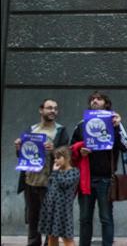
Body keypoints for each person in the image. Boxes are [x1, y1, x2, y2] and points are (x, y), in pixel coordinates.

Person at [70, 91, 127, 246]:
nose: (95, 101)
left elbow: (125, 147)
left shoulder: (115, 122)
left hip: (105, 178)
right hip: (86, 178)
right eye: (92, 99)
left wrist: (116, 128)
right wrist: (79, 150)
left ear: (106, 103)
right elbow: (70, 149)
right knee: (84, 218)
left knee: (106, 217)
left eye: (99, 99)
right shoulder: (82, 124)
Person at [14, 99, 70, 246]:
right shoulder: (31, 130)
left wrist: (54, 150)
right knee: (33, 218)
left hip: (50, 182)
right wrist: (19, 148)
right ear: (41, 110)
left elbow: (65, 158)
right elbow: (22, 157)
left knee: (50, 218)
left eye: (55, 109)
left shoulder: (60, 131)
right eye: (49, 108)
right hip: (31, 181)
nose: (53, 111)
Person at [38, 146, 80, 246]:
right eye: (55, 158)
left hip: (63, 210)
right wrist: (54, 173)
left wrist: (55, 173)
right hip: (51, 208)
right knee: (51, 236)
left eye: (58, 158)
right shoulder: (56, 172)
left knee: (67, 238)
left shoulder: (74, 172)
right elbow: (50, 185)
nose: (56, 160)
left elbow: (64, 183)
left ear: (67, 158)